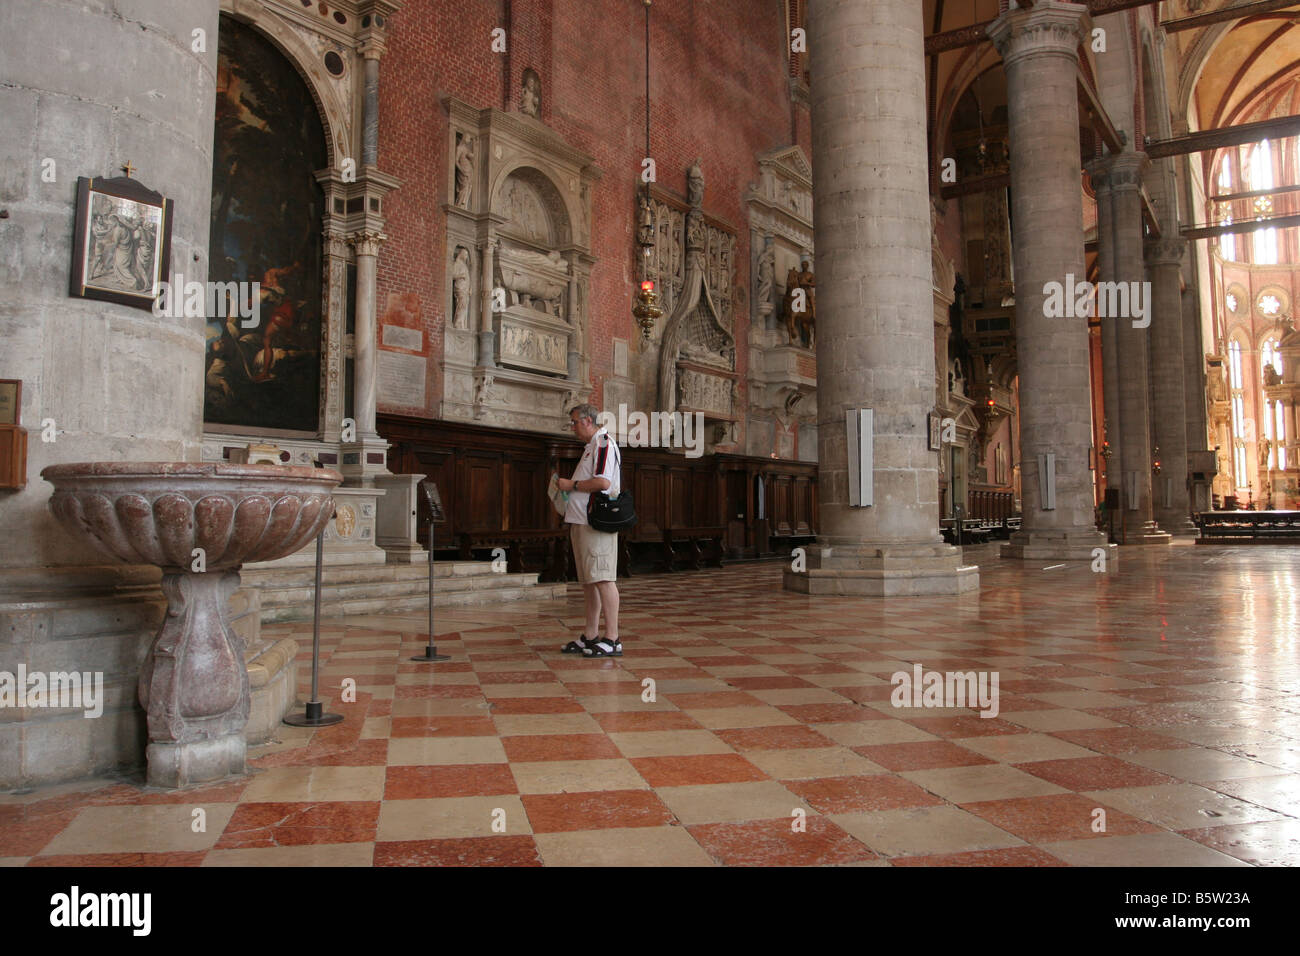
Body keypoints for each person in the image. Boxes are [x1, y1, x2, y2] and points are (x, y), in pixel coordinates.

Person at [556, 404, 622, 658]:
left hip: (596, 522)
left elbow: (603, 482)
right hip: (582, 522)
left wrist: (570, 484)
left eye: (573, 422)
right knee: (589, 581)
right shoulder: (590, 446)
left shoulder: (604, 443)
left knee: (604, 578)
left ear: (587, 421)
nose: (571, 427)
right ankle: (591, 635)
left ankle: (613, 638)